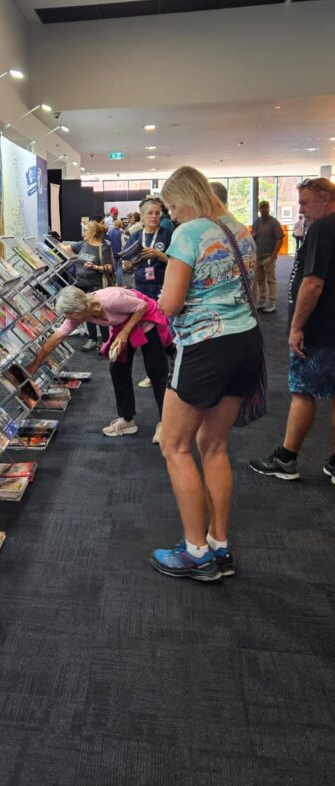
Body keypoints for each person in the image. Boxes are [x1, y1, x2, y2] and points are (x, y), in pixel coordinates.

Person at [151, 166, 263, 582]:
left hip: (203, 347)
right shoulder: (239, 229)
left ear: (184, 198)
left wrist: (162, 292)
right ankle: (218, 543)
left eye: (171, 206)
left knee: (175, 445)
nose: (171, 216)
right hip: (246, 342)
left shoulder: (190, 232)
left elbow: (171, 303)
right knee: (214, 446)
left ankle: (196, 552)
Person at [250, 177, 335, 482]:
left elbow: (313, 283)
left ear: (325, 197)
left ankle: (287, 459)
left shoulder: (324, 228)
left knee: (302, 392)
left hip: (319, 329)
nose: (301, 210)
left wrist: (296, 327)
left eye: (304, 202)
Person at [26, 284, 172, 440]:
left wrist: (124, 333)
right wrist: (35, 365)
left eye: (69, 315)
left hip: (146, 321)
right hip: (124, 326)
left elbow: (142, 306)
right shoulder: (81, 313)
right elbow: (57, 337)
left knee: (156, 372)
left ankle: (167, 424)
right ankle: (127, 419)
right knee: (117, 369)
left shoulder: (110, 299)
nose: (68, 319)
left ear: (77, 311)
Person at [60, 220, 113, 351]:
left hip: (96, 286)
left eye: (85, 230)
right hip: (81, 285)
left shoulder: (103, 247)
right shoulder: (82, 245)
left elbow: (109, 267)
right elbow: (66, 248)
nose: (83, 233)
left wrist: (94, 266)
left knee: (99, 313)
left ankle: (106, 341)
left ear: (93, 232)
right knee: (86, 313)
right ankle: (92, 339)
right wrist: (53, 241)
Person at [121, 198, 172, 302]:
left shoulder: (168, 234)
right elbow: (127, 264)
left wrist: (159, 255)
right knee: (144, 314)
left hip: (162, 284)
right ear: (142, 216)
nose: (154, 216)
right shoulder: (135, 236)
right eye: (150, 213)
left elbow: (176, 263)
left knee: (161, 316)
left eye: (157, 213)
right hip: (140, 284)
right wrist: (127, 265)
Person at [252, 200, 284, 313]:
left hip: (268, 257)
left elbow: (280, 238)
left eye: (265, 207)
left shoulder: (274, 222)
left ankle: (272, 302)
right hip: (258, 257)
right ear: (259, 209)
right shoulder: (256, 222)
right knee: (260, 280)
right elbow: (252, 236)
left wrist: (274, 255)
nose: (264, 209)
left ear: (269, 208)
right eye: (262, 208)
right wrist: (253, 235)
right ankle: (262, 300)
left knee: (271, 280)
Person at [107, 220, 125, 286]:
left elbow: (108, 243)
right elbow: (123, 244)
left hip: (111, 253)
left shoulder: (109, 233)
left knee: (113, 269)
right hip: (119, 253)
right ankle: (119, 284)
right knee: (119, 268)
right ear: (120, 225)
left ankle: (113, 284)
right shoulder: (121, 233)